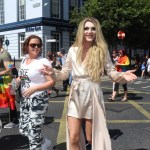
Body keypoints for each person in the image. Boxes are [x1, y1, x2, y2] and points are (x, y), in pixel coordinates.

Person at [41, 17, 137, 150]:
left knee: (91, 138)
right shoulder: (73, 50)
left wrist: (122, 76)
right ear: (82, 30)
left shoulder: (102, 50)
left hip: (93, 94)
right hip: (76, 94)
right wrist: (52, 72)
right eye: (86, 28)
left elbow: (111, 73)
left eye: (93, 28)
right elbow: (64, 74)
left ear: (97, 31)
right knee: (73, 137)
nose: (89, 31)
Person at [16, 35, 55, 150]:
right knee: (23, 130)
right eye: (33, 45)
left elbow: (51, 82)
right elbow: (25, 76)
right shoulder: (24, 60)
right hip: (25, 99)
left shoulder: (43, 61)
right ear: (27, 46)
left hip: (38, 99)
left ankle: (37, 146)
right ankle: (44, 142)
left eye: (39, 45)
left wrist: (34, 89)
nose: (36, 47)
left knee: (33, 133)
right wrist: (18, 80)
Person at [0, 38, 19, 128]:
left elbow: (10, 68)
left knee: (11, 100)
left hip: (6, 80)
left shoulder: (5, 54)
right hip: (2, 80)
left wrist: (12, 81)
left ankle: (14, 121)